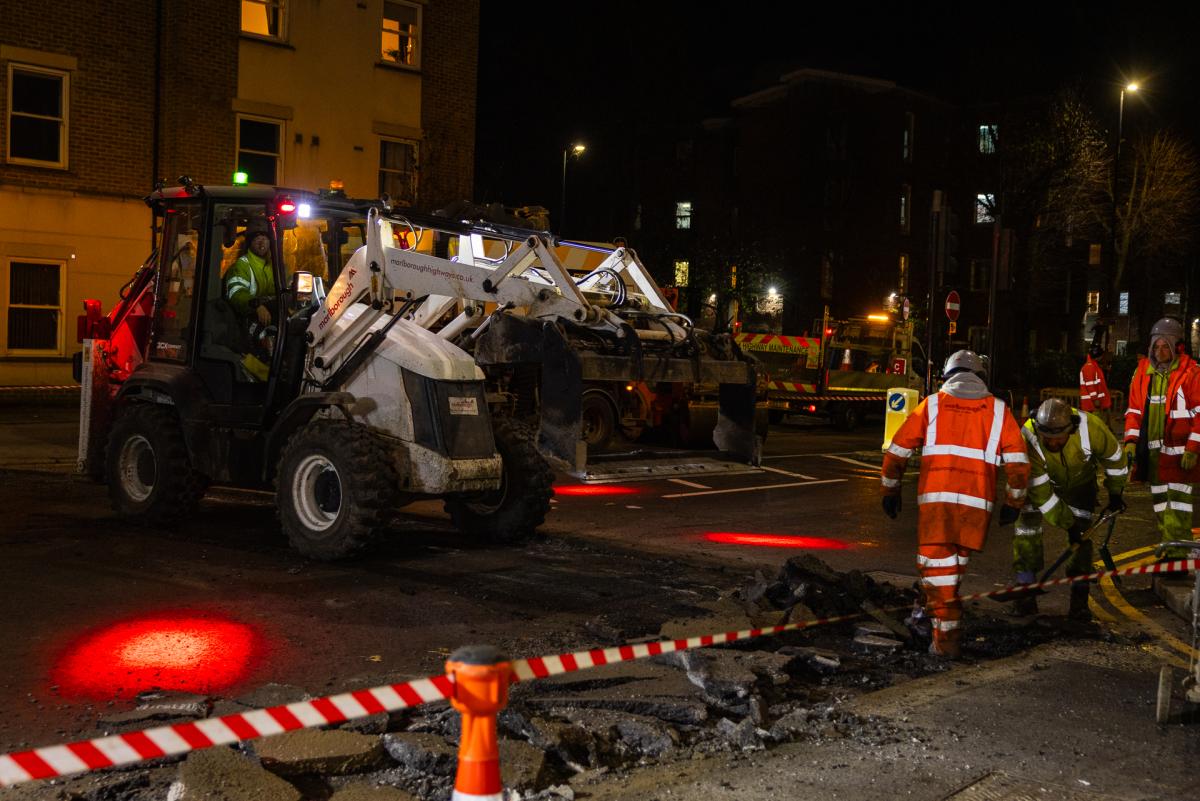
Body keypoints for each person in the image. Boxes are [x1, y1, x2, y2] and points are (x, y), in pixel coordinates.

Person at [881, 350, 1030, 658]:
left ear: (947, 375)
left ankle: (945, 646)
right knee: (950, 575)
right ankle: (928, 621)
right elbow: (1018, 464)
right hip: (975, 513)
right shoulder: (999, 411)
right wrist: (1014, 502)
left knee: (941, 581)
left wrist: (891, 491)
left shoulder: (932, 405)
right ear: (981, 377)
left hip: (938, 511)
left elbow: (896, 453)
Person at [1011, 398, 1128, 619]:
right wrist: (1068, 523)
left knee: (1082, 539)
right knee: (1026, 529)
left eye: (1058, 439)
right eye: (1048, 439)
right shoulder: (1027, 436)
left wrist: (1115, 492)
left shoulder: (1091, 427)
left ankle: (1079, 602)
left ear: (1071, 429)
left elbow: (1115, 459)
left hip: (1080, 483)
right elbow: (1041, 493)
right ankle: (1024, 594)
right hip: (1041, 482)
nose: (1052, 444)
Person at [1123, 317, 1200, 559]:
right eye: (1156, 346)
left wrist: (1193, 448)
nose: (1160, 351)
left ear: (1178, 346)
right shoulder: (1143, 372)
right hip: (1153, 454)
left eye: (1165, 345)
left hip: (1179, 454)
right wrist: (1131, 443)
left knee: (1177, 504)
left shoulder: (1191, 373)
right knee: (1159, 503)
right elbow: (1134, 411)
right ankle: (1170, 547)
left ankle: (1176, 552)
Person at [224, 222, 277, 329]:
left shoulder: (272, 266)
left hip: (269, 315)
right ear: (250, 242)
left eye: (265, 239)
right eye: (257, 239)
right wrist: (256, 306)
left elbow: (276, 291)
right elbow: (236, 292)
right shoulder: (242, 265)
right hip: (246, 318)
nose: (262, 243)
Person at [1079, 341, 1112, 415]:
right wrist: (1095, 399)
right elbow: (1090, 385)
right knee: (1092, 424)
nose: (1102, 357)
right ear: (1098, 356)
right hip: (1091, 403)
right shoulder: (1090, 367)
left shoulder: (1093, 366)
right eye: (1101, 356)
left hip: (1092, 403)